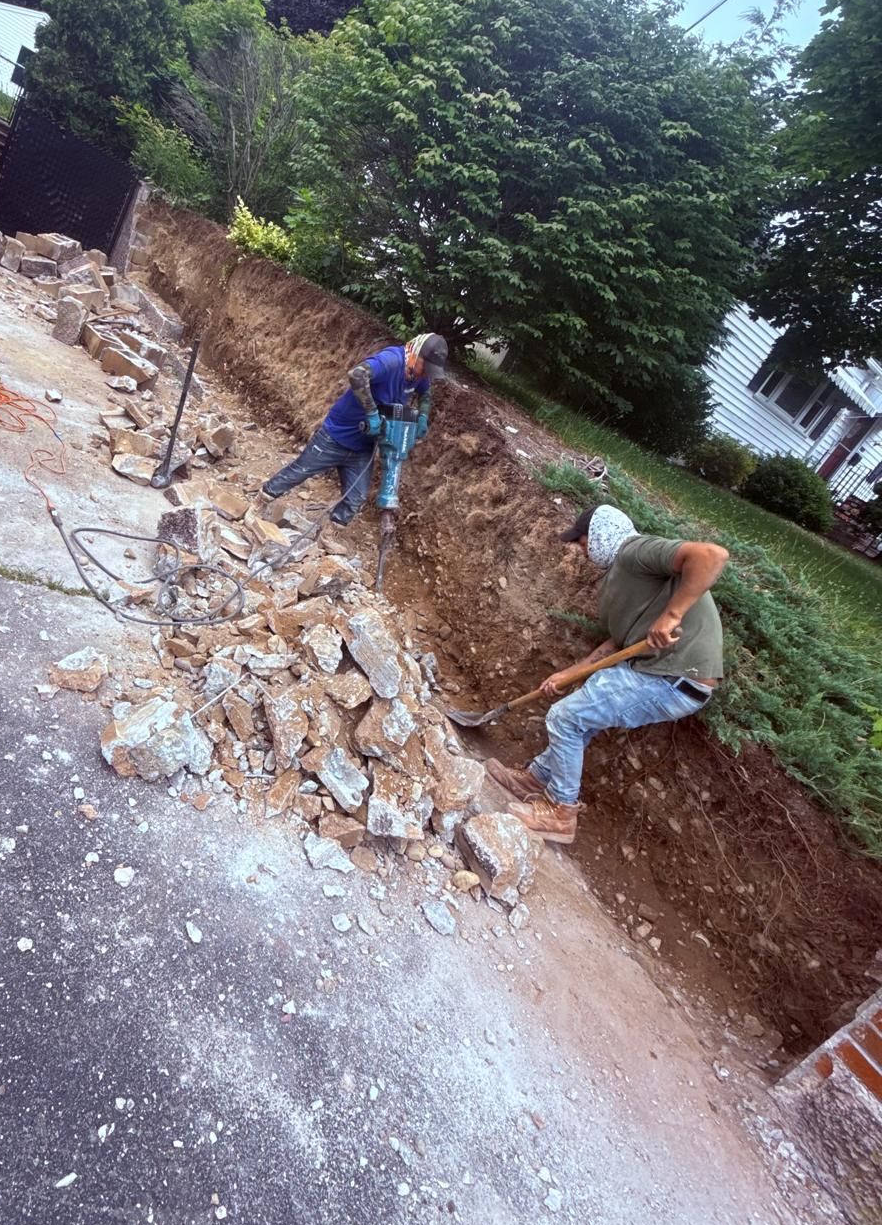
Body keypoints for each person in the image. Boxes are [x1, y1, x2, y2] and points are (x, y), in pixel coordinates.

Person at [485, 503, 728, 845]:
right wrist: (568, 674)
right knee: (582, 713)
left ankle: (561, 813)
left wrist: (672, 616)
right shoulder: (624, 578)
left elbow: (711, 555)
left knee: (566, 718)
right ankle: (535, 779)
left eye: (582, 540)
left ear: (599, 533)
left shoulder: (636, 551)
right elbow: (615, 645)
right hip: (655, 672)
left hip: (674, 677)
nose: (581, 549)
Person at [261, 333, 448, 525]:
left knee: (356, 498)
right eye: (425, 368)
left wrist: (423, 416)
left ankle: (331, 532)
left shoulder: (418, 374)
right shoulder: (391, 361)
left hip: (364, 446)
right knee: (299, 471)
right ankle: (262, 500)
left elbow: (425, 394)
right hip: (337, 435)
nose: (426, 374)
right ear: (416, 355)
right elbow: (357, 374)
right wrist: (371, 412)